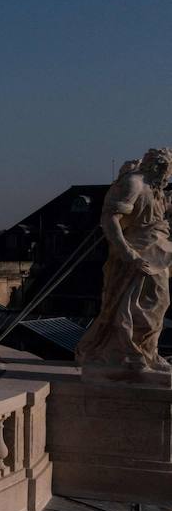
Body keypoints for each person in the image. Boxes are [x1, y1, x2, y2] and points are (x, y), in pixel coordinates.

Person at [76, 148, 172, 379]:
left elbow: (160, 214)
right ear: (157, 166)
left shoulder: (156, 187)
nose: (167, 175)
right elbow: (110, 219)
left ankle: (148, 352)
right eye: (166, 169)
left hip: (158, 252)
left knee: (158, 304)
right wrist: (128, 253)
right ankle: (129, 355)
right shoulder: (134, 183)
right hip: (137, 254)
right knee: (134, 307)